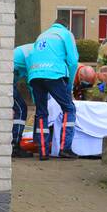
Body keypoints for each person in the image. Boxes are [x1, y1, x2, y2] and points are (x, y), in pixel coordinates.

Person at [28, 21, 79, 160]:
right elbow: (73, 61)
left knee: (41, 112)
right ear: (67, 26)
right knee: (69, 108)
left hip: (35, 74)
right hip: (54, 74)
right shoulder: (66, 34)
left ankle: (43, 151)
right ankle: (65, 148)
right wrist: (69, 85)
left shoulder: (42, 35)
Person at [11, 43, 33, 158]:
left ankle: (14, 143)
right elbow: (32, 78)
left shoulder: (32, 49)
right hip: (7, 77)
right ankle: (15, 145)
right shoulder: (33, 53)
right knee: (21, 109)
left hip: (8, 77)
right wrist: (37, 101)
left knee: (19, 108)